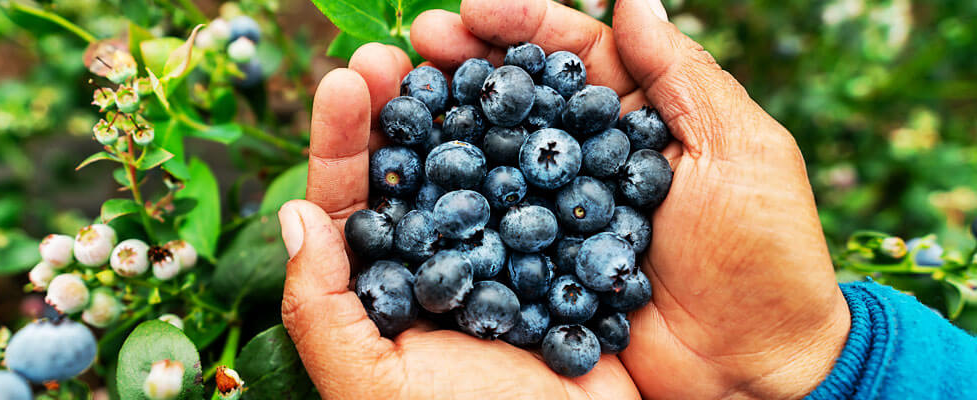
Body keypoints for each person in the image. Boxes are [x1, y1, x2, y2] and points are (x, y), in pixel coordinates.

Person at [275, 0, 977, 398]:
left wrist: (801, 353)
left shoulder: (582, 212)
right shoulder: (480, 184)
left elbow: (553, 218)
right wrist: (817, 365)